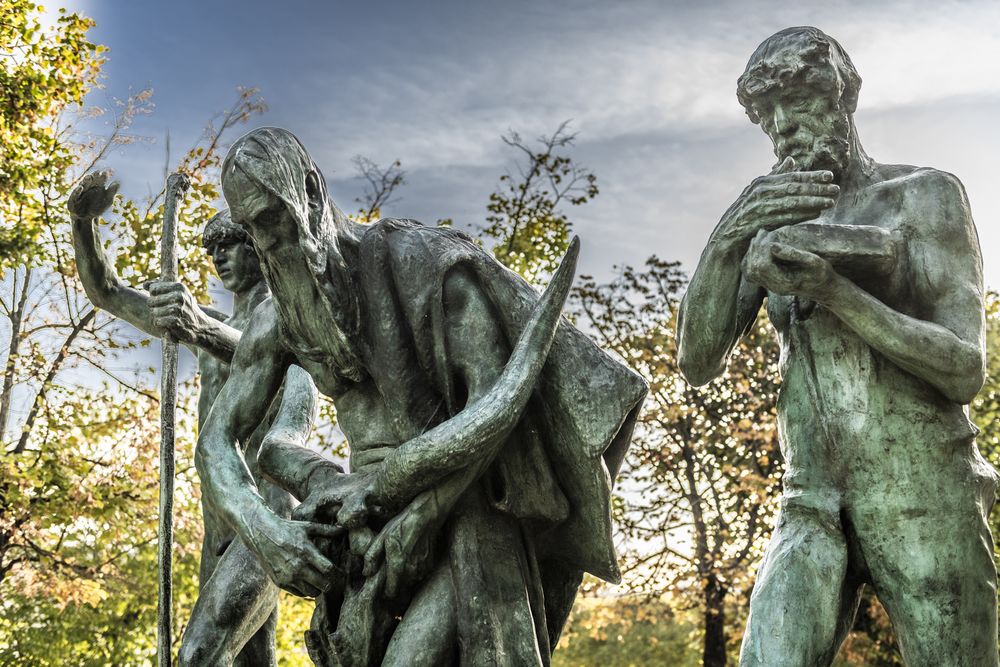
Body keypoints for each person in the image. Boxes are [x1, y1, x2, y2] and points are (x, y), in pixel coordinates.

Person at [196, 126, 647, 666]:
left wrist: (419, 513)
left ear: (310, 194)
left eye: (272, 219)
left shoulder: (427, 265)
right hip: (364, 529)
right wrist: (263, 528)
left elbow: (497, 409)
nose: (266, 242)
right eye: (250, 228)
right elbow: (215, 444)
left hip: (466, 501)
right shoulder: (278, 318)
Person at [677, 26, 998, 666]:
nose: (781, 129)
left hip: (925, 494)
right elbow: (696, 359)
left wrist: (835, 292)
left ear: (842, 96)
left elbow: (964, 369)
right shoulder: (774, 216)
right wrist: (732, 231)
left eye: (796, 104)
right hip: (810, 500)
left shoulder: (923, 196)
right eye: (766, 116)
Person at [68, 174, 313, 665]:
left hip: (264, 515)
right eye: (210, 248)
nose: (218, 256)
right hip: (217, 526)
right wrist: (82, 223)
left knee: (197, 657)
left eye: (230, 243)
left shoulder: (294, 322)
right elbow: (108, 292)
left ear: (259, 247)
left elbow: (272, 374)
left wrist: (200, 331)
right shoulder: (195, 318)